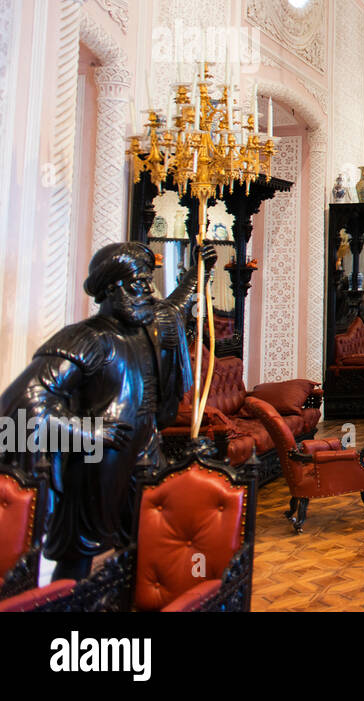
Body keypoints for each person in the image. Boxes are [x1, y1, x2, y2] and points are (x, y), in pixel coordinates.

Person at [0, 241, 214, 579]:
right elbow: (26, 400)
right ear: (111, 290)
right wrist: (89, 432)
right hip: (99, 459)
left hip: (146, 447)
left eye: (148, 280)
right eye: (137, 284)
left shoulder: (148, 326)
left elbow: (174, 308)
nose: (147, 290)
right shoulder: (87, 338)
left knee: (148, 535)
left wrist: (196, 275)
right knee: (81, 549)